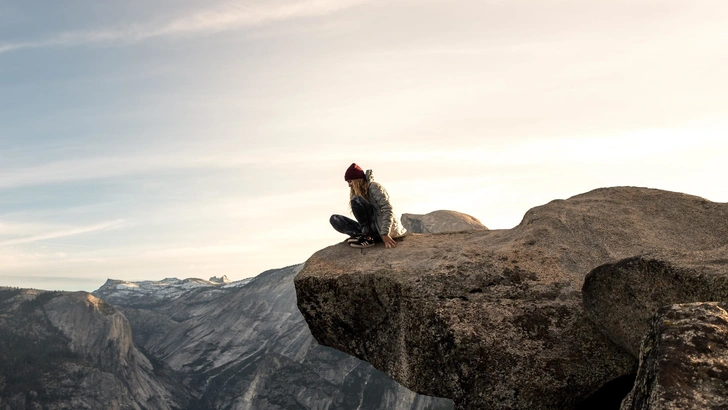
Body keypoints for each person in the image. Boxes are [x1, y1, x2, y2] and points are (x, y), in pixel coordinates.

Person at [330, 163, 407, 248]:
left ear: (357, 180)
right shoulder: (360, 192)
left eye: (350, 181)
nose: (349, 185)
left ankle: (368, 238)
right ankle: (363, 235)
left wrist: (385, 233)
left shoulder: (374, 187)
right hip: (371, 229)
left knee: (356, 200)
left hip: (382, 230)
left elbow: (388, 209)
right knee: (335, 219)